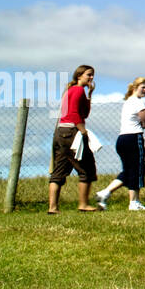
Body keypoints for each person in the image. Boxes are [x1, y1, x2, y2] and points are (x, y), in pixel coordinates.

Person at [96, 77, 145, 210]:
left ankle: (105, 192)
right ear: (135, 88)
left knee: (128, 171)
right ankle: (134, 202)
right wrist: (144, 125)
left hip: (122, 139)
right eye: (142, 87)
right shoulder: (137, 102)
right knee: (137, 170)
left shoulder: (127, 102)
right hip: (133, 138)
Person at [48, 65, 99, 213]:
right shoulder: (77, 90)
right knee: (87, 168)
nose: (91, 78)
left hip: (60, 132)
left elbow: (85, 113)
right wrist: (83, 131)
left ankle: (53, 208)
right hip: (71, 131)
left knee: (59, 170)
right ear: (79, 75)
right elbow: (75, 113)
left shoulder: (71, 90)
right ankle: (83, 204)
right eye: (88, 75)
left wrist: (89, 94)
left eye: (92, 75)